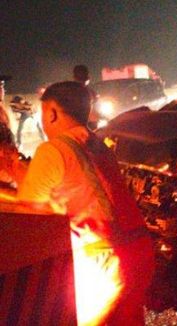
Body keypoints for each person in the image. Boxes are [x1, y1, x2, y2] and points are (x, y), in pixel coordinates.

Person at [1, 81, 154, 325]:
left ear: (51, 113)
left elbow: (29, 213)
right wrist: (15, 168)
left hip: (101, 260)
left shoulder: (53, 150)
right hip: (138, 251)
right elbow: (64, 183)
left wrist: (10, 173)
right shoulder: (98, 145)